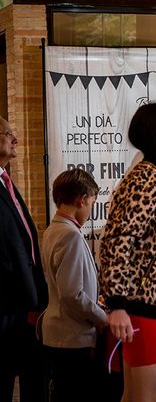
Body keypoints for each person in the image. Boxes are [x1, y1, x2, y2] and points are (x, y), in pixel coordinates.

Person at [99, 102, 156, 402]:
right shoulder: (149, 178)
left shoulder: (149, 175)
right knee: (148, 398)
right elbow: (119, 241)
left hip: (145, 306)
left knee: (136, 396)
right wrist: (117, 303)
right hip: (139, 307)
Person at [40, 168, 107, 402]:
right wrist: (102, 318)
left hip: (59, 333)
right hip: (72, 336)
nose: (90, 211)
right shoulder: (70, 235)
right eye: (92, 203)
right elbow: (72, 294)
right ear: (82, 199)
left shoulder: (52, 230)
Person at [0, 117, 48, 402]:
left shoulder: (7, 180)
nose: (15, 140)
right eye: (8, 134)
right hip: (5, 302)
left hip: (24, 301)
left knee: (34, 371)